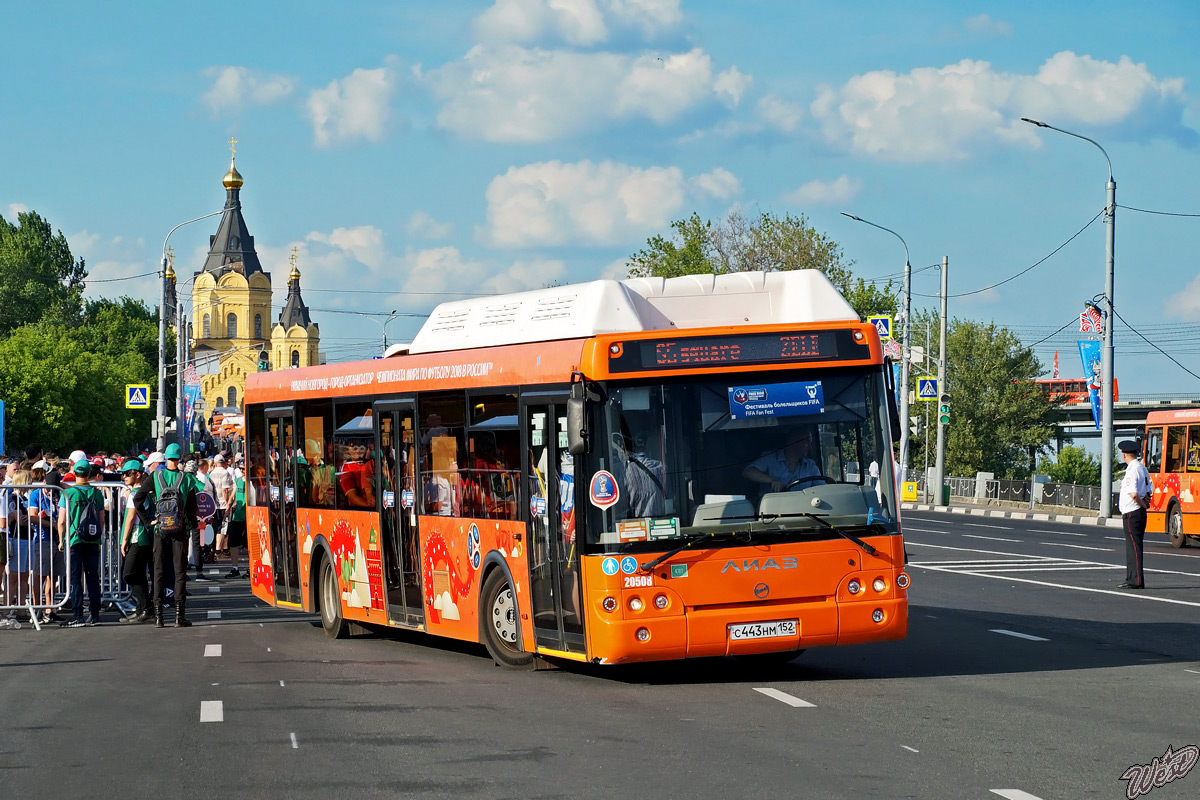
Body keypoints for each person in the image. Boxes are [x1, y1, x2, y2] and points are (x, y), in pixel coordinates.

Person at [134, 443, 199, 628]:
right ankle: (180, 616)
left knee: (158, 571)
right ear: (180, 459)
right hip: (179, 530)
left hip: (160, 529)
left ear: (166, 458)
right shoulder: (186, 478)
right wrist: (193, 526)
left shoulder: (156, 476)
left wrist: (148, 520)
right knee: (179, 572)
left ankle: (159, 617)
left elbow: (138, 498)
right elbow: (192, 508)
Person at [58, 458, 106, 627]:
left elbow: (62, 520)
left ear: (75, 473)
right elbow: (101, 520)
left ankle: (77, 614)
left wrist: (61, 538)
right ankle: (95, 615)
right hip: (92, 539)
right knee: (93, 577)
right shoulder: (97, 493)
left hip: (73, 539)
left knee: (75, 578)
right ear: (89, 473)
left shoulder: (68, 493)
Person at [117, 459, 155, 622]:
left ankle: (146, 608)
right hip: (144, 538)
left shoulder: (136, 493)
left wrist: (123, 539)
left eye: (127, 474)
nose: (124, 477)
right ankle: (142, 609)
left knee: (129, 574)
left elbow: (131, 518)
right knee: (139, 574)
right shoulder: (143, 492)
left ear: (137, 475)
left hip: (138, 537)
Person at [27, 461, 59, 623]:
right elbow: (32, 517)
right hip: (43, 538)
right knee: (40, 574)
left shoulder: (59, 493)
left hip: (58, 539)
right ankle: (36, 608)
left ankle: (49, 609)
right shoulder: (36, 494)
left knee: (53, 576)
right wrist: (51, 524)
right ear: (44, 481)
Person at [743, 427, 822, 493]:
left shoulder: (810, 465)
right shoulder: (770, 458)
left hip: (803, 508)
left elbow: (821, 489)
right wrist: (772, 480)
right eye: (807, 442)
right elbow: (748, 472)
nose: (810, 447)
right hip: (773, 509)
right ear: (793, 441)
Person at [1117, 439, 1152, 590]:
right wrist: (1146, 503)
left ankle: (1135, 580)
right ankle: (1132, 577)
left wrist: (1143, 505)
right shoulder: (1142, 468)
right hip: (1137, 512)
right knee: (1134, 546)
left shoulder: (1132, 470)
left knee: (1133, 547)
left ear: (1124, 455)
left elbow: (1133, 494)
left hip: (1132, 512)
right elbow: (1149, 489)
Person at [611, 431, 666, 518]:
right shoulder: (662, 468)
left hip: (631, 527)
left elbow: (619, 509)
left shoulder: (621, 470)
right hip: (658, 527)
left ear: (624, 448)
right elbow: (670, 500)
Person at [209, 453, 234, 558]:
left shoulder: (211, 474)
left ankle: (223, 548)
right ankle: (218, 550)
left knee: (219, 526)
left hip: (214, 504)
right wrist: (228, 502)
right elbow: (225, 489)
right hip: (223, 504)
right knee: (223, 527)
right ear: (223, 463)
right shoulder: (225, 473)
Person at [225, 470, 247, 578]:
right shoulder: (238, 481)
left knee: (249, 544)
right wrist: (227, 509)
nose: (243, 471)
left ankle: (250, 569)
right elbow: (232, 496)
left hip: (250, 516)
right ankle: (235, 568)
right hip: (237, 516)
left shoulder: (254, 481)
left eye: (245, 468)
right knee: (233, 542)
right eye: (241, 468)